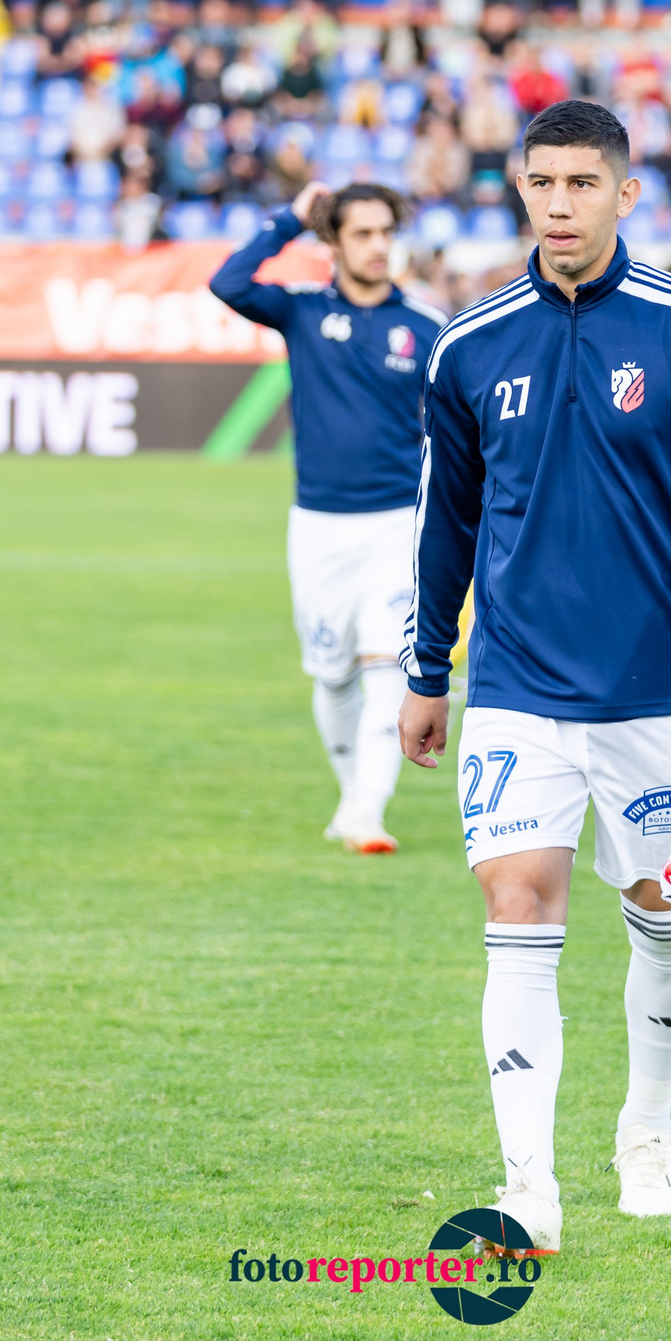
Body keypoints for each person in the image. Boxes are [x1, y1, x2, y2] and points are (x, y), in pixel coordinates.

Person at [398, 99, 671, 1254]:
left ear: (625, 195)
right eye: (539, 184)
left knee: (660, 914)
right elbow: (442, 519)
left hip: (660, 689)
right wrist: (427, 666)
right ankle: (526, 1187)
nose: (557, 205)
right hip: (515, 686)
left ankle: (646, 1131)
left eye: (579, 184)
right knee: (518, 906)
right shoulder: (469, 344)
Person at [210, 180, 445, 856]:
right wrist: (288, 217)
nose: (377, 246)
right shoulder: (301, 311)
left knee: (385, 668)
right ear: (333, 242)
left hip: (400, 525)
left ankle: (368, 812)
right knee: (331, 673)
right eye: (362, 233)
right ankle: (352, 797)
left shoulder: (426, 325)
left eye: (385, 232)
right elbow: (227, 281)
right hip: (317, 529)